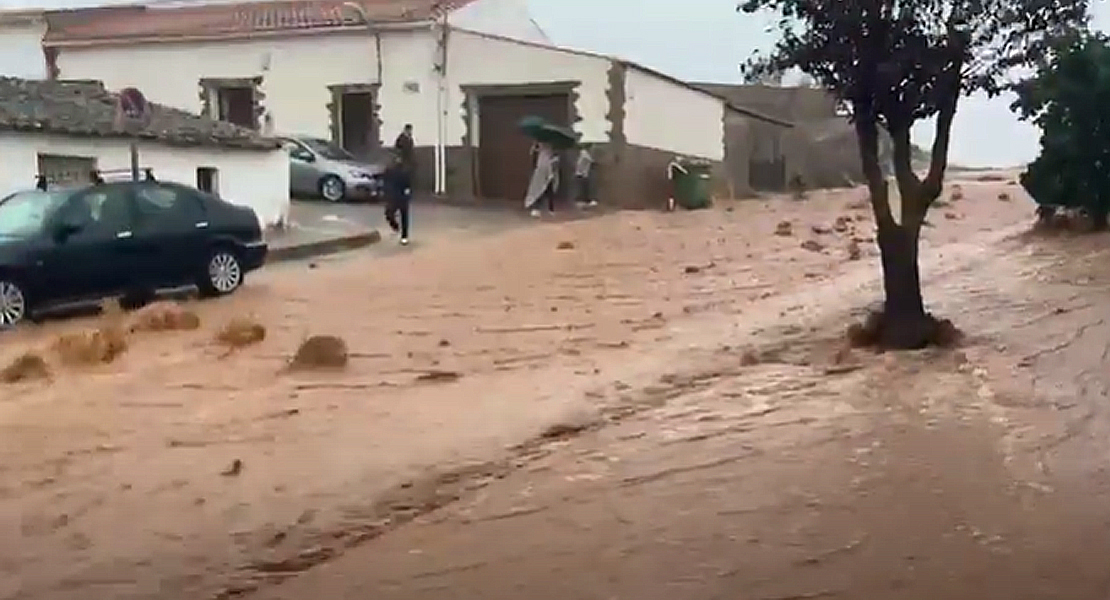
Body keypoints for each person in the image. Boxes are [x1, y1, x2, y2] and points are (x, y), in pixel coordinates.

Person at [382, 150, 413, 245]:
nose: (398, 160)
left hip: (402, 195)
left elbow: (408, 184)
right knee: (389, 213)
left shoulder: (405, 170)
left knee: (404, 215)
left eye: (399, 158)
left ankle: (404, 236)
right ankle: (395, 226)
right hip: (393, 195)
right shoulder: (389, 170)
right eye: (396, 158)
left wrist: (408, 193)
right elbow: (385, 180)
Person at [523, 141, 559, 217]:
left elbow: (556, 160)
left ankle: (550, 208)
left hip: (549, 171)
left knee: (549, 190)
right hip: (540, 171)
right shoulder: (537, 147)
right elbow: (533, 156)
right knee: (538, 189)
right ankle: (536, 208)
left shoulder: (553, 149)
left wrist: (553, 162)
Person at [574, 143, 597, 208]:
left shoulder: (583, 154)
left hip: (581, 174)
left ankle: (584, 201)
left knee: (583, 188)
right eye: (592, 148)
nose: (593, 150)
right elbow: (592, 162)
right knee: (583, 188)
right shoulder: (585, 154)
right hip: (581, 174)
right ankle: (583, 201)